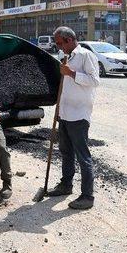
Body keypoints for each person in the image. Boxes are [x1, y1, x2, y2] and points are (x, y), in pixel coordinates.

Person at [48, 26, 100, 210]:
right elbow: (65, 86)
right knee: (66, 152)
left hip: (79, 115)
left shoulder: (86, 56)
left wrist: (71, 73)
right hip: (65, 113)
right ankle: (66, 185)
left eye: (61, 43)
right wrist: (59, 109)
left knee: (82, 156)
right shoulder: (66, 57)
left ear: (70, 40)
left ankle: (87, 196)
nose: (59, 47)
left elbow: (95, 81)